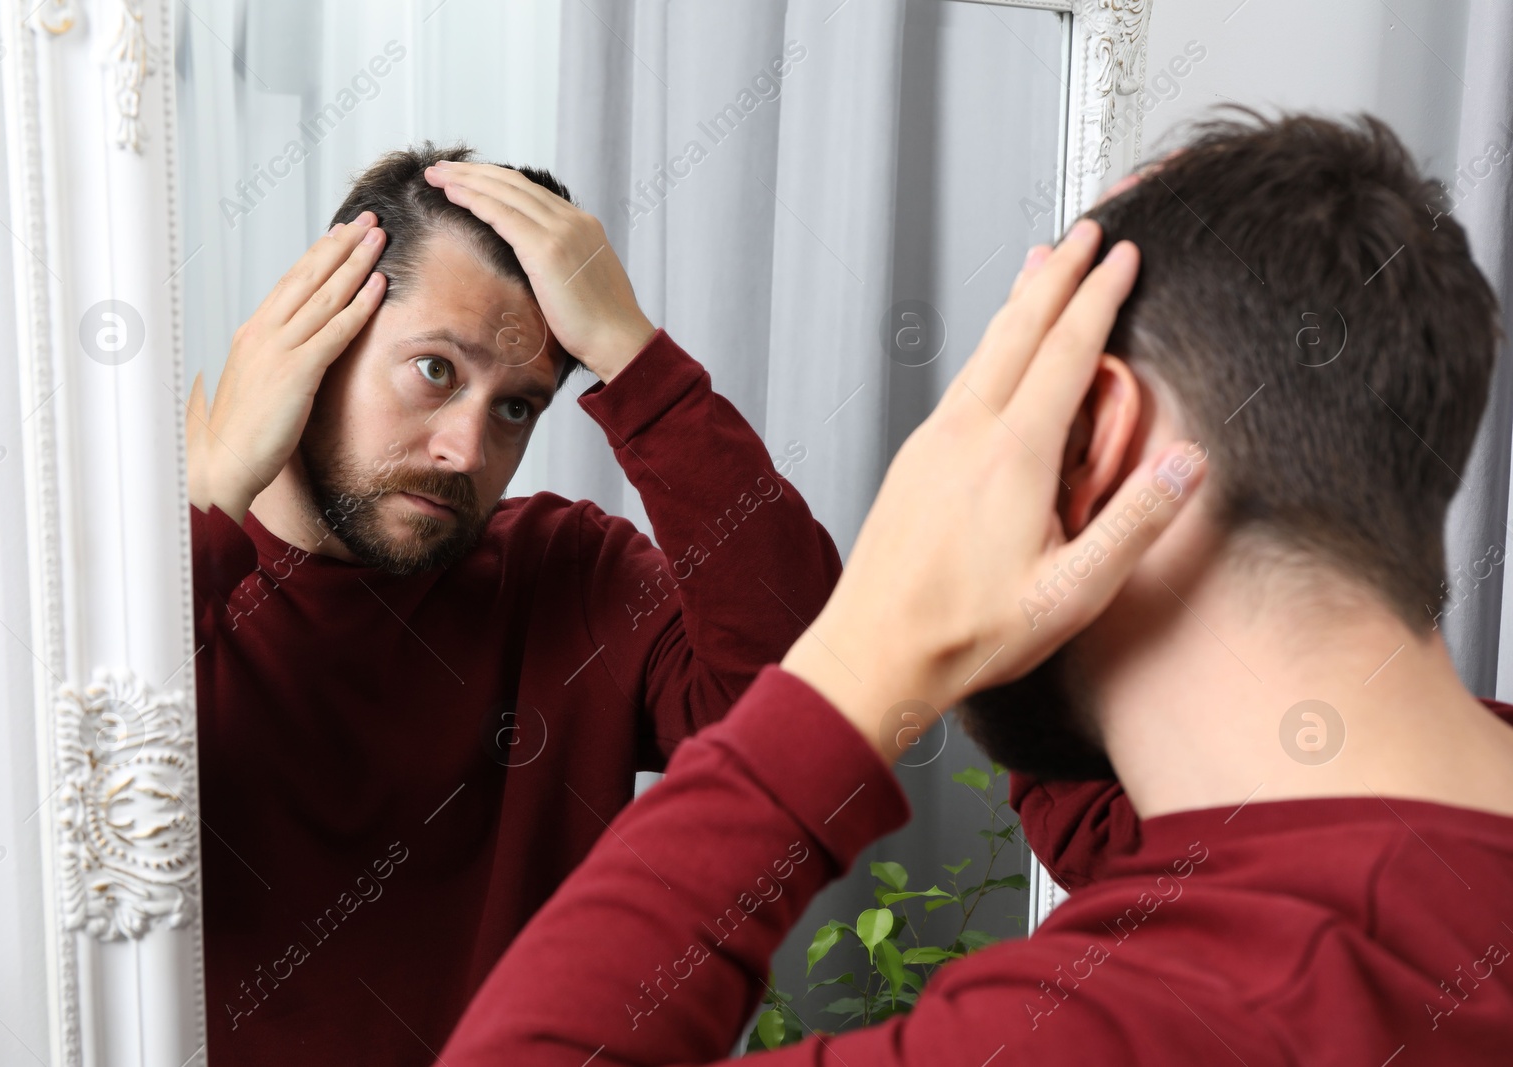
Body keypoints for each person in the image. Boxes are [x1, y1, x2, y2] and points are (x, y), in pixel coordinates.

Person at [439, 111, 1513, 1064]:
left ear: (1093, 431)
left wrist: (876, 648)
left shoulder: (1103, 1024)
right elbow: (1143, 818)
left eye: (1011, 378)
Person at [184, 141, 841, 1065]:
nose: (465, 450)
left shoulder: (569, 574)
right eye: (437, 371)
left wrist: (634, 357)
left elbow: (812, 705)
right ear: (317, 338)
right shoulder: (167, 588)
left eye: (516, 408)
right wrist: (205, 506)